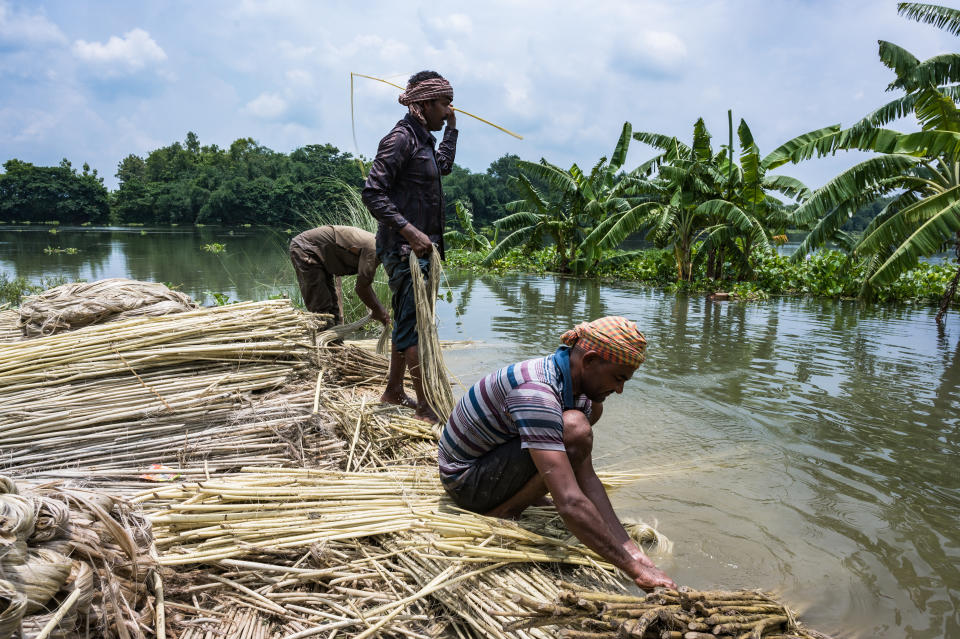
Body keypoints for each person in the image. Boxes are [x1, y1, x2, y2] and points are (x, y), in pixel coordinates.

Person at [438, 316, 677, 591]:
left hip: (492, 462)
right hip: (466, 482)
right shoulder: (536, 391)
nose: (620, 390)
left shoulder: (580, 391)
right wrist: (635, 570)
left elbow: (587, 478)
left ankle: (521, 495)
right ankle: (505, 510)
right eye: (618, 378)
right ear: (589, 361)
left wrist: (631, 549)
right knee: (575, 431)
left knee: (583, 421)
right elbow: (570, 502)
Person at [362, 70, 457, 424]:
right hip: (405, 252)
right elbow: (373, 193)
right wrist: (410, 232)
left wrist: (452, 128)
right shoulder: (400, 139)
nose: (448, 109)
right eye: (445, 104)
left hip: (420, 251)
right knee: (416, 328)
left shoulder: (424, 141)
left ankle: (392, 392)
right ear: (426, 103)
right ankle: (425, 406)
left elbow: (443, 166)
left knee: (407, 323)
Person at [289, 224, 414, 408]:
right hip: (306, 249)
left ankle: (334, 357)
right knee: (322, 313)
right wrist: (379, 310)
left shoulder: (379, 248)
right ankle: (324, 367)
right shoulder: (374, 249)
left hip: (320, 257)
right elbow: (361, 288)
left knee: (332, 314)